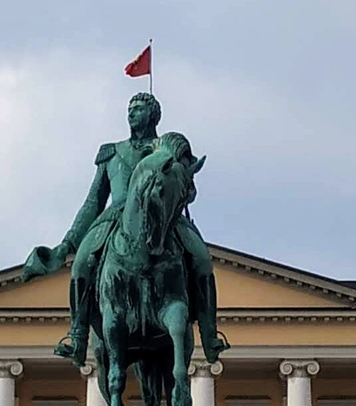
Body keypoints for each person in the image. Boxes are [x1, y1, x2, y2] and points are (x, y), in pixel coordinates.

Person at [21, 92, 225, 369]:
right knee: (81, 264)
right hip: (115, 217)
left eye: (139, 109)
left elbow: (187, 187)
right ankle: (78, 336)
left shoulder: (167, 149)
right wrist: (68, 243)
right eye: (130, 108)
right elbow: (94, 200)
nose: (131, 113)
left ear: (153, 115)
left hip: (166, 219)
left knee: (201, 260)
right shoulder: (111, 152)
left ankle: (210, 335)